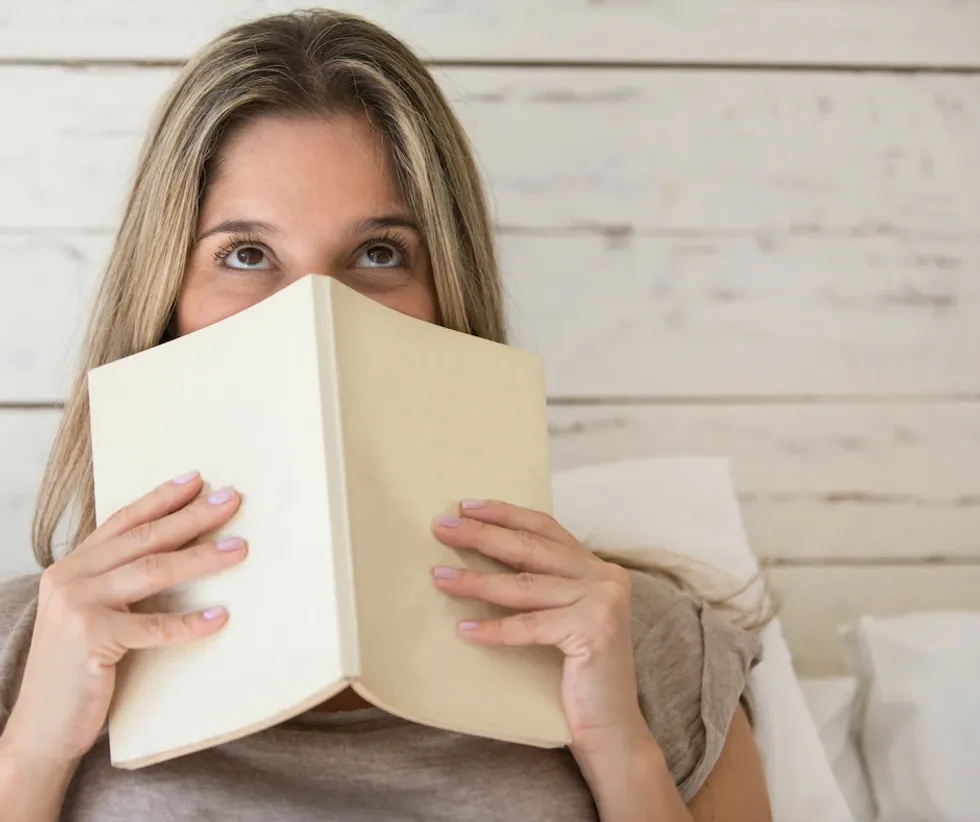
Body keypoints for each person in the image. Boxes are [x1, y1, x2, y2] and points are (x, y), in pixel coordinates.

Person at [0, 10, 772, 821]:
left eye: (378, 254)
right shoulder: (31, 650)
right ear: (164, 299)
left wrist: (621, 748)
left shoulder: (638, 642)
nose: (313, 315)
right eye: (247, 255)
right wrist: (33, 753)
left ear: (448, 297)